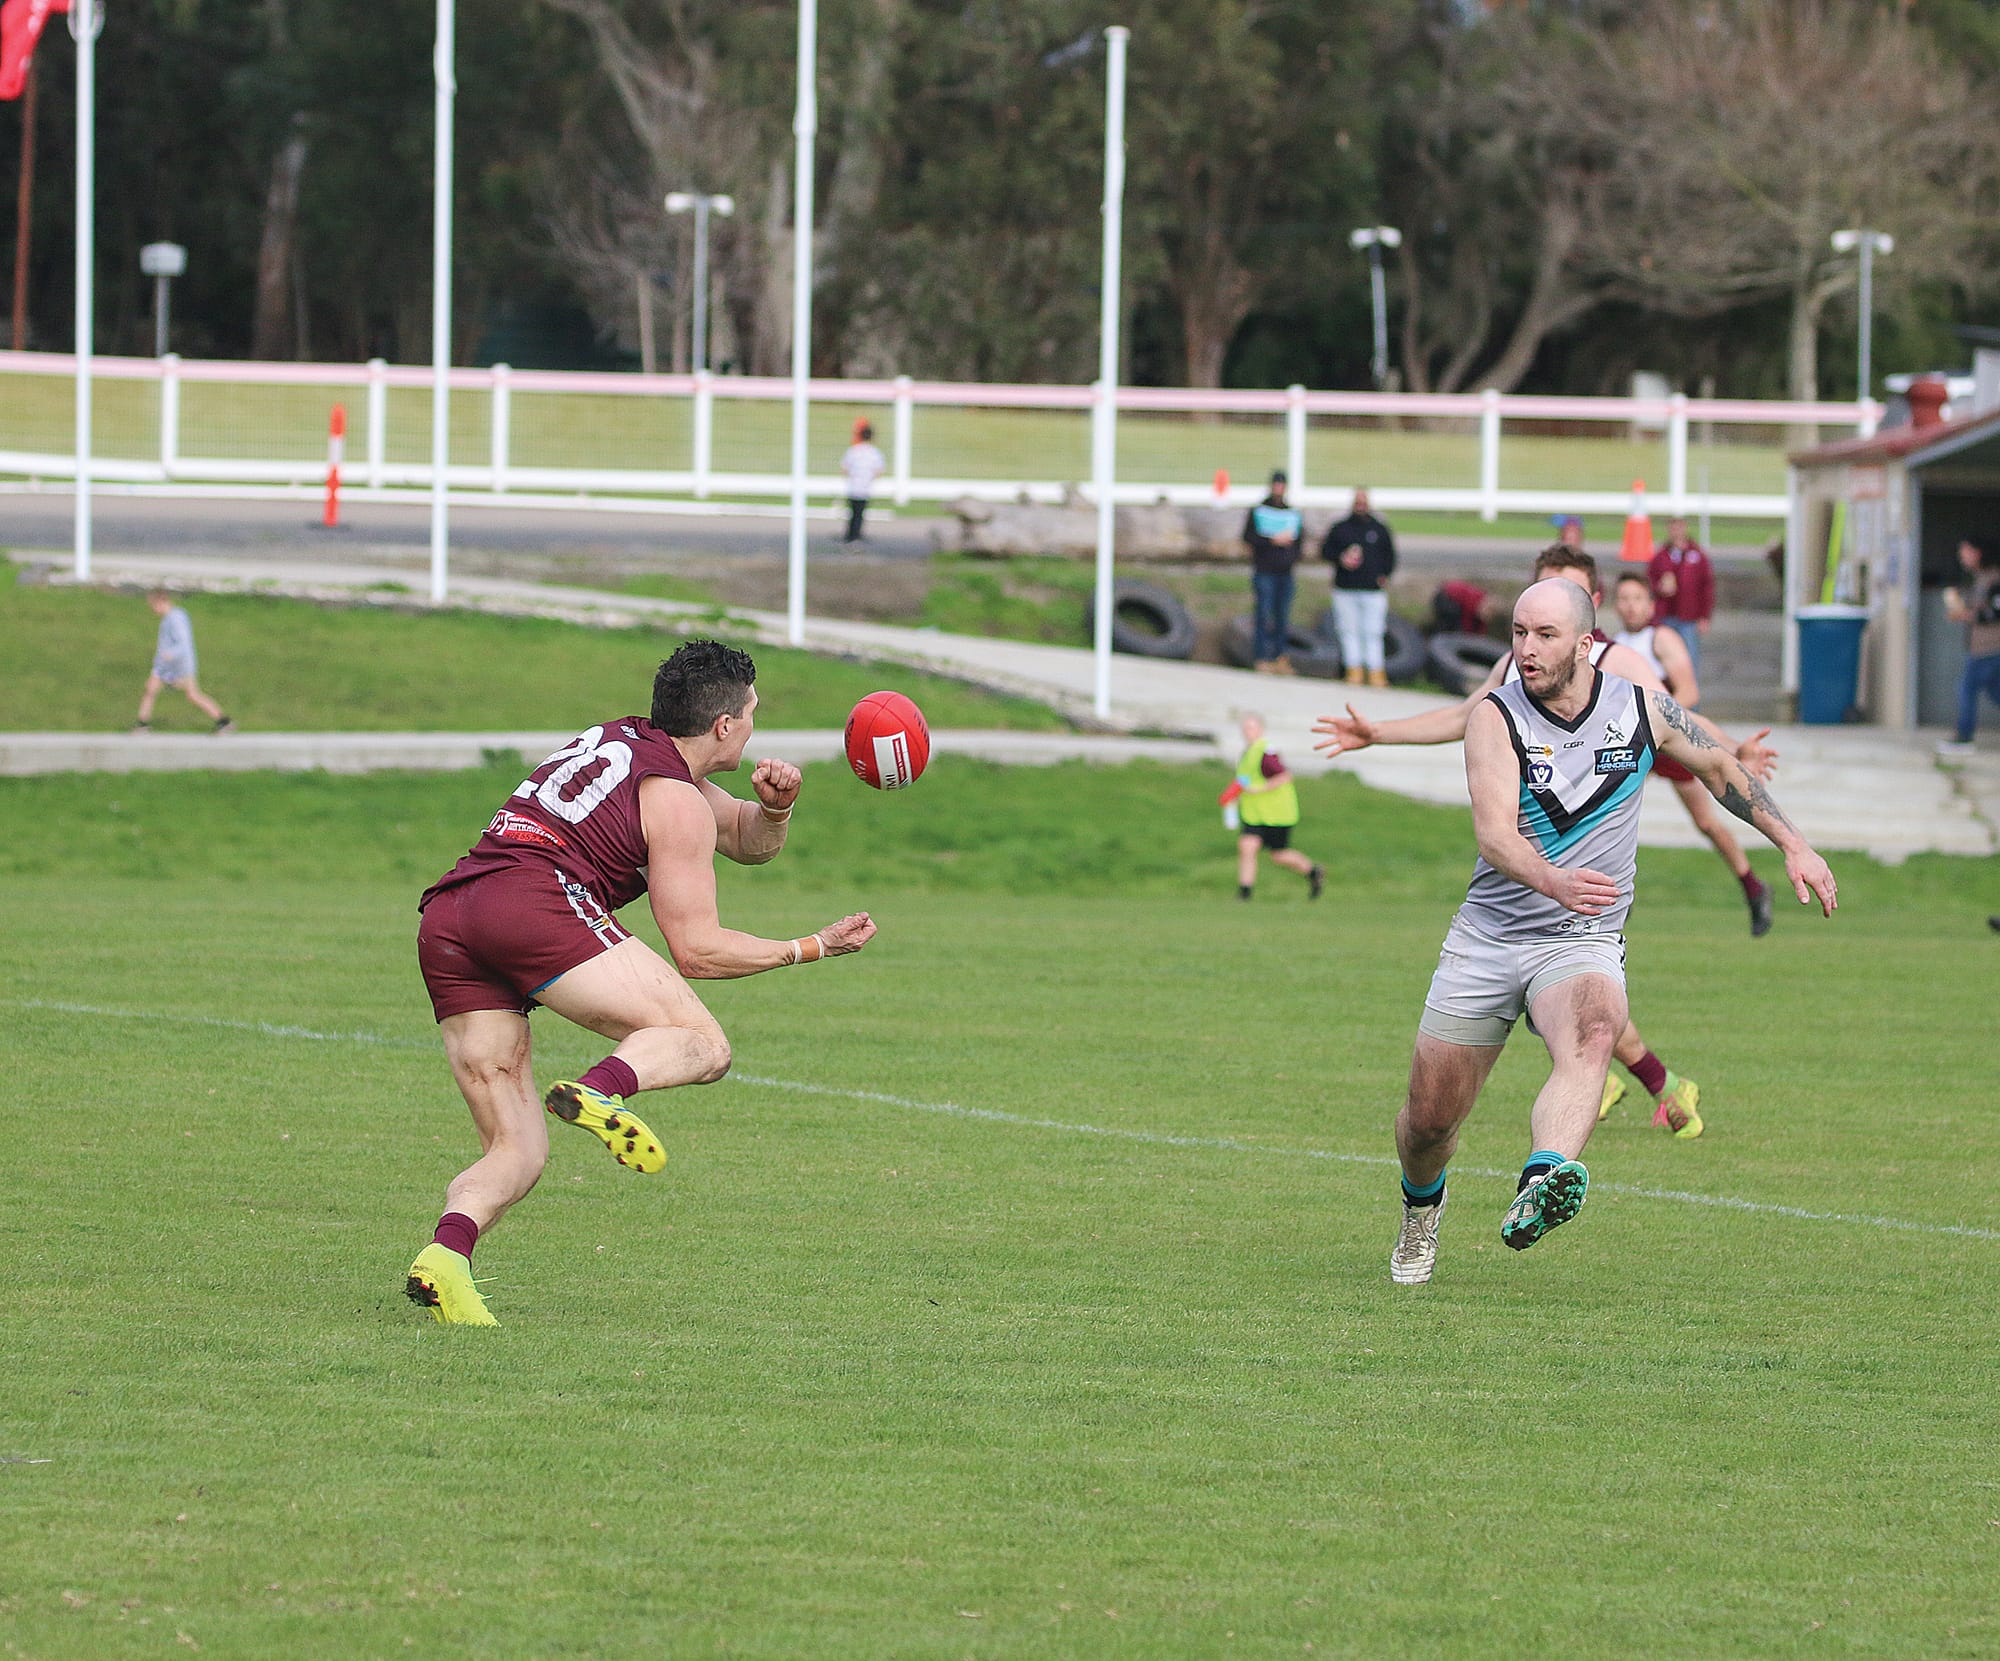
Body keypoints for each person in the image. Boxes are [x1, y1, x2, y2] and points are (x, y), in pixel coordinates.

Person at [406, 639, 877, 1325]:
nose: (753, 723)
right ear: (724, 726)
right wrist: (810, 946)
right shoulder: (676, 799)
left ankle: (445, 1258)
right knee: (703, 1042)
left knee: (519, 1147)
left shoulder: (628, 741)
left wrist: (775, 809)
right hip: (531, 900)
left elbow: (743, 835)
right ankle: (602, 1089)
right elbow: (698, 949)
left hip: (452, 916)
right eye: (751, 712)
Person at [1382, 578, 1836, 1284]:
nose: (1525, 650)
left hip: (1580, 936)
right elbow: (1495, 834)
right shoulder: (1496, 717)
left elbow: (1720, 766)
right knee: (1429, 1120)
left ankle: (1544, 1178)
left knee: (1596, 1028)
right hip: (1491, 936)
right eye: (1519, 634)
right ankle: (1420, 1209)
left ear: (1587, 644)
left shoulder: (1639, 709)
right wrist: (1555, 877)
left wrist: (1793, 842)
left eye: (1545, 636)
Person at [1313, 545, 1782, 1139]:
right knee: (1548, 1026)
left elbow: (1673, 718)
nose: (1533, 636)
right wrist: (1380, 732)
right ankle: (1648, 1081)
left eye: (1560, 602)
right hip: (1521, 879)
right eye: (1531, 608)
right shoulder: (1515, 672)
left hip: (1591, 861)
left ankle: (1635, 1080)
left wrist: (1734, 750)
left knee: (1588, 996)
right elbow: (1466, 714)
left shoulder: (1618, 668)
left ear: (1589, 614)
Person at [1611, 571, 1774, 936]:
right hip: (1636, 745)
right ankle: (1617, 891)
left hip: (1664, 740)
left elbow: (1687, 693)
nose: (1630, 605)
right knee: (1610, 811)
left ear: (1651, 604)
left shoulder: (1661, 639)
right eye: (1623, 598)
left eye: (1638, 598)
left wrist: (1652, 719)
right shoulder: (1615, 646)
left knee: (1706, 822)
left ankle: (1754, 888)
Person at [1224, 714, 1325, 900]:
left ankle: (1313, 872)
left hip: (1277, 813)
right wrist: (1234, 796)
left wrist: (1260, 789)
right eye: (1245, 728)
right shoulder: (1248, 753)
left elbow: (1285, 776)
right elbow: (1245, 780)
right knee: (1247, 846)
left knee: (1279, 854)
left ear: (1261, 730)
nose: (1248, 732)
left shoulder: (1266, 752)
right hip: (1255, 814)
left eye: (1252, 728)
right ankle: (1244, 893)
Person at [1323, 487, 1397, 686]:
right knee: (1349, 630)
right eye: (1358, 500)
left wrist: (1385, 575)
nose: (1361, 504)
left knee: (1373, 631)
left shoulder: (1379, 529)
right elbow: (1326, 551)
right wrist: (1341, 558)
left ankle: (1375, 671)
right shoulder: (1340, 528)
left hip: (1372, 590)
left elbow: (1390, 556)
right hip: (1345, 588)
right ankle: (1353, 669)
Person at [133, 589, 234, 734]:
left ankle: (223, 721)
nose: (153, 610)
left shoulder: (176, 618)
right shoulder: (168, 618)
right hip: (168, 666)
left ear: (161, 602)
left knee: (192, 695)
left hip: (179, 665)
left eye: (153, 606)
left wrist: (170, 655)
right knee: (150, 689)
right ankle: (142, 723)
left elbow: (183, 643)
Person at [1937, 537, 2000, 759]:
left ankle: (1963, 737)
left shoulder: (1994, 579)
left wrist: (1966, 615)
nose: (1962, 556)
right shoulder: (1979, 579)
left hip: (1991, 648)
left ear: (1978, 552)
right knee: (1996, 693)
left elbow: (1995, 611)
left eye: (1966, 551)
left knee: (1967, 688)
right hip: (1981, 647)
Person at [1242, 470, 1305, 673]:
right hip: (1265, 570)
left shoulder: (1292, 513)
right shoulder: (1259, 511)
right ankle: (1261, 657)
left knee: (1282, 616)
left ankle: (1280, 656)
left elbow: (1300, 542)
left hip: (1285, 571)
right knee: (1263, 614)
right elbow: (1248, 537)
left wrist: (1292, 555)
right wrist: (1271, 541)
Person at [1648, 516, 1715, 671]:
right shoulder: (1661, 556)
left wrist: (1705, 616)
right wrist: (1660, 587)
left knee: (1690, 658)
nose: (1676, 530)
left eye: (1679, 526)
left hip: (1689, 616)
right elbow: (1650, 580)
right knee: (1664, 658)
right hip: (1666, 615)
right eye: (1673, 526)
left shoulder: (1697, 555)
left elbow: (1706, 586)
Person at [840, 420, 887, 545]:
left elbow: (844, 468)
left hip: (853, 487)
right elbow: (879, 470)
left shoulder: (853, 450)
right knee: (860, 513)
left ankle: (850, 535)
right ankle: (855, 536)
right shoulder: (874, 452)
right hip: (865, 488)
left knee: (853, 512)